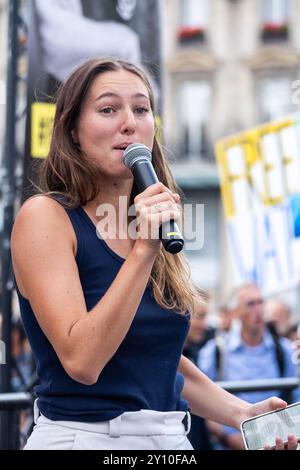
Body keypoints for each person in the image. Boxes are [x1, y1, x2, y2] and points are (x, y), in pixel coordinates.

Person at [11, 58, 299, 450]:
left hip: (169, 437)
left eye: (142, 109)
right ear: (73, 131)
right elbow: (82, 361)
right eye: (109, 109)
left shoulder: (147, 223)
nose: (129, 122)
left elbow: (160, 358)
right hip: (85, 436)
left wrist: (241, 413)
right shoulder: (46, 217)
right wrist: (145, 247)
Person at [198, 283, 300, 450]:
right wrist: (235, 440)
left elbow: (296, 396)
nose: (258, 309)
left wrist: (291, 435)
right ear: (236, 312)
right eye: (250, 304)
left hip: (277, 443)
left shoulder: (284, 350)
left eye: (260, 302)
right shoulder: (215, 352)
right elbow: (203, 402)